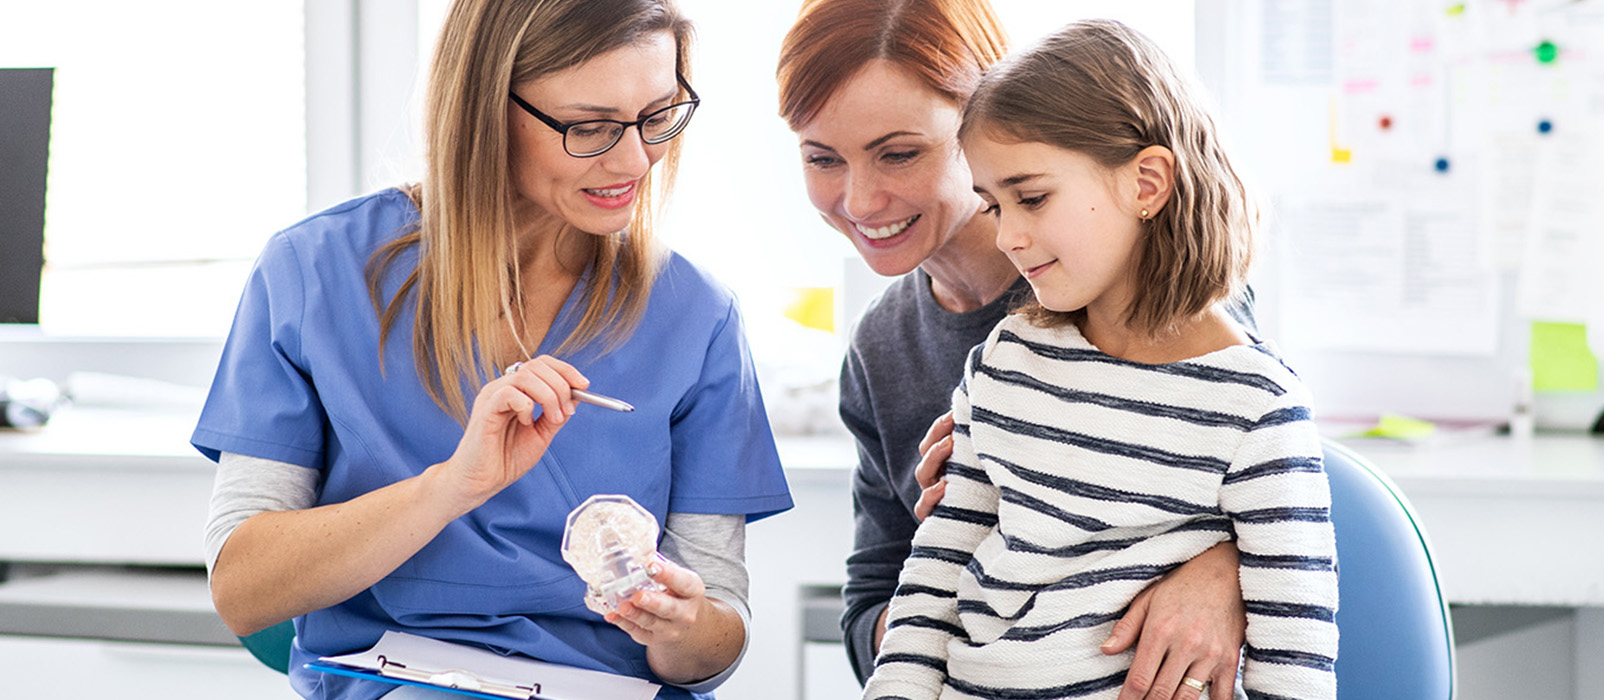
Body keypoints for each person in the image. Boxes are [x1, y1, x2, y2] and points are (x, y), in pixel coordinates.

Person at [193, 2, 793, 699]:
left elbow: (717, 639)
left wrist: (680, 625)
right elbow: (243, 591)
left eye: (658, 115)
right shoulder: (313, 274)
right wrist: (451, 487)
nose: (636, 160)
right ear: (485, 108)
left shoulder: (696, 314)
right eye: (589, 127)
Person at [775, 2, 1257, 698]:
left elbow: (1284, 497)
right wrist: (962, 557)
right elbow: (867, 613)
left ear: (983, 124)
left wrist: (1226, 570)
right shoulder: (882, 349)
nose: (860, 199)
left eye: (899, 153)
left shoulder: (1147, 290)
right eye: (822, 158)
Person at [862, 19, 1338, 700]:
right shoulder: (1006, 361)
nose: (1009, 237)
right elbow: (936, 573)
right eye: (994, 207)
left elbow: (1295, 669)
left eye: (1031, 197)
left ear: (1147, 184)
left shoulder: (1255, 404)